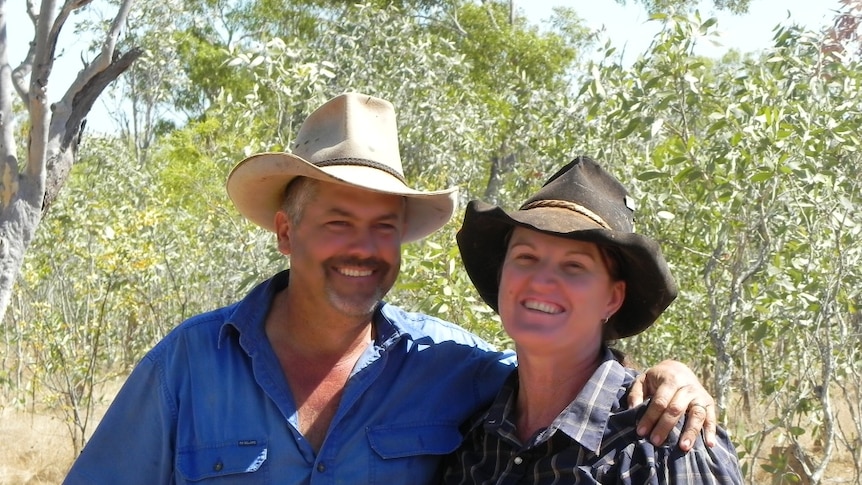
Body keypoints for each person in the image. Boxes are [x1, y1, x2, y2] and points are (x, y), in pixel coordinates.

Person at [64, 93, 716, 484]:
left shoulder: (453, 369)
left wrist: (665, 376)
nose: (363, 247)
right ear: (287, 233)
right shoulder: (187, 365)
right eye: (338, 222)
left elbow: (569, 375)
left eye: (384, 226)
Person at [442, 157, 743, 483]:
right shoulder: (474, 435)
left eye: (575, 266)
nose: (541, 281)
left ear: (612, 299)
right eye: (526, 257)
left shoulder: (665, 444)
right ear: (502, 277)